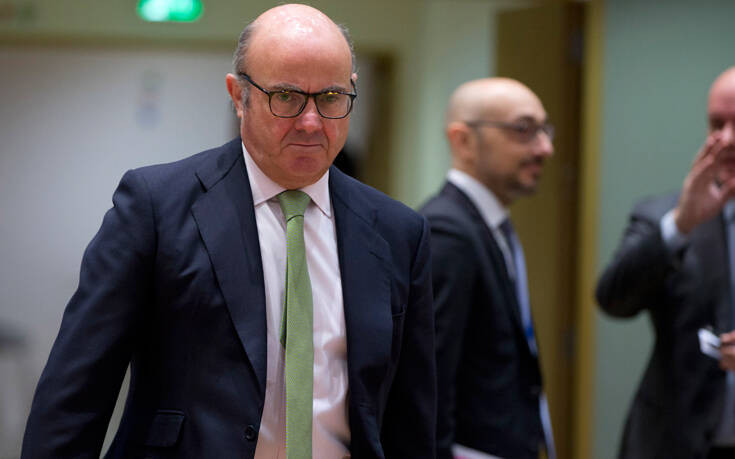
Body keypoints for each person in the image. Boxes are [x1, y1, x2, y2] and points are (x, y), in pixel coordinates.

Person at [20, 4, 436, 458]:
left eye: (331, 97)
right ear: (239, 96)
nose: (311, 121)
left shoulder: (399, 232)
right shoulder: (156, 207)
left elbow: (411, 419)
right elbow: (76, 394)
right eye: (287, 96)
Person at [596, 66, 735, 459]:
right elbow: (613, 300)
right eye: (717, 124)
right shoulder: (664, 215)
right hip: (674, 442)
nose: (727, 139)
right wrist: (681, 225)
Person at [420, 78, 555, 459]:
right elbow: (430, 375)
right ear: (463, 140)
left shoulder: (489, 225)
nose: (545, 148)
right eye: (524, 130)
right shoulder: (448, 232)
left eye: (545, 130)